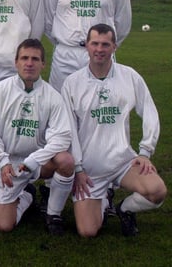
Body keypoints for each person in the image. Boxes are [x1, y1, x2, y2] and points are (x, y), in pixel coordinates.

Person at [63, 24, 167, 237]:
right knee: (87, 231)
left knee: (157, 191)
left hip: (123, 162)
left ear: (114, 47)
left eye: (105, 44)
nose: (99, 49)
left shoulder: (129, 76)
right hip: (90, 171)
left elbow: (149, 111)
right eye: (95, 44)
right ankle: (103, 198)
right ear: (87, 46)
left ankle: (125, 208)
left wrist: (145, 151)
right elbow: (69, 129)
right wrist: (79, 169)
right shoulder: (72, 83)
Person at [0, 39, 74, 235]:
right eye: (24, 58)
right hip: (8, 166)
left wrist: (34, 160)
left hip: (39, 163)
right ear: (16, 62)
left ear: (43, 64)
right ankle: (27, 195)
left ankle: (53, 213)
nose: (29, 63)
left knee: (65, 160)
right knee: (4, 226)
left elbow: (62, 137)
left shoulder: (53, 96)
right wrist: (3, 161)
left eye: (35, 59)